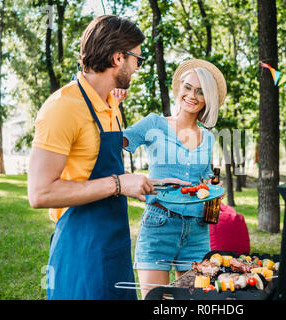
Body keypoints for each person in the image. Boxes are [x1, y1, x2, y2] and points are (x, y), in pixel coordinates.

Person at [27, 15, 188, 300]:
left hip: (114, 248)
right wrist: (118, 184)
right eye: (137, 59)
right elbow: (40, 193)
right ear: (118, 58)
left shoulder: (109, 104)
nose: (138, 67)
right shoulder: (62, 107)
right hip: (81, 252)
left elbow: (102, 172)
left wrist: (151, 183)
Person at [122, 58, 227, 299]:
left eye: (200, 92)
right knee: (157, 301)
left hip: (197, 230)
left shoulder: (208, 137)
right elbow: (116, 142)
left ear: (207, 99)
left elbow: (203, 177)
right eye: (188, 87)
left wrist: (212, 184)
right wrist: (112, 104)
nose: (192, 95)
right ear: (178, 89)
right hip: (159, 224)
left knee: (196, 300)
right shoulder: (155, 124)